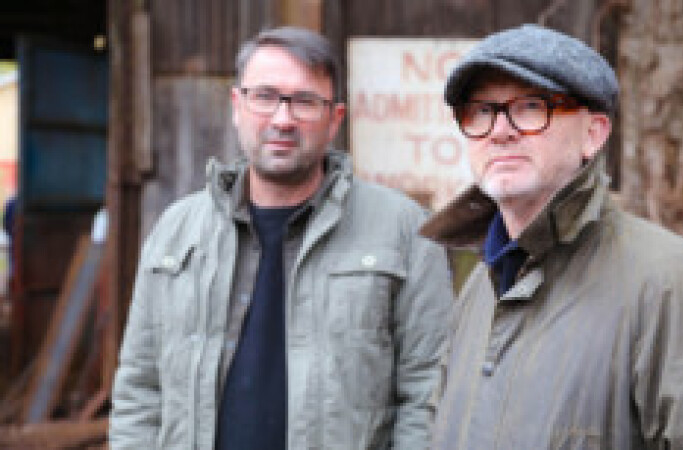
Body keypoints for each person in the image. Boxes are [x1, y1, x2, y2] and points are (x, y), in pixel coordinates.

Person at [421, 24, 683, 449]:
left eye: (530, 107)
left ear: (593, 134)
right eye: (480, 111)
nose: (499, 130)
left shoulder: (676, 285)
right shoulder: (479, 291)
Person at [110, 26, 452, 449]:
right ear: (237, 106)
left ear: (335, 120)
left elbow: (428, 393)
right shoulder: (176, 230)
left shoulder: (403, 230)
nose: (283, 119)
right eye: (265, 96)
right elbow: (139, 389)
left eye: (305, 101)